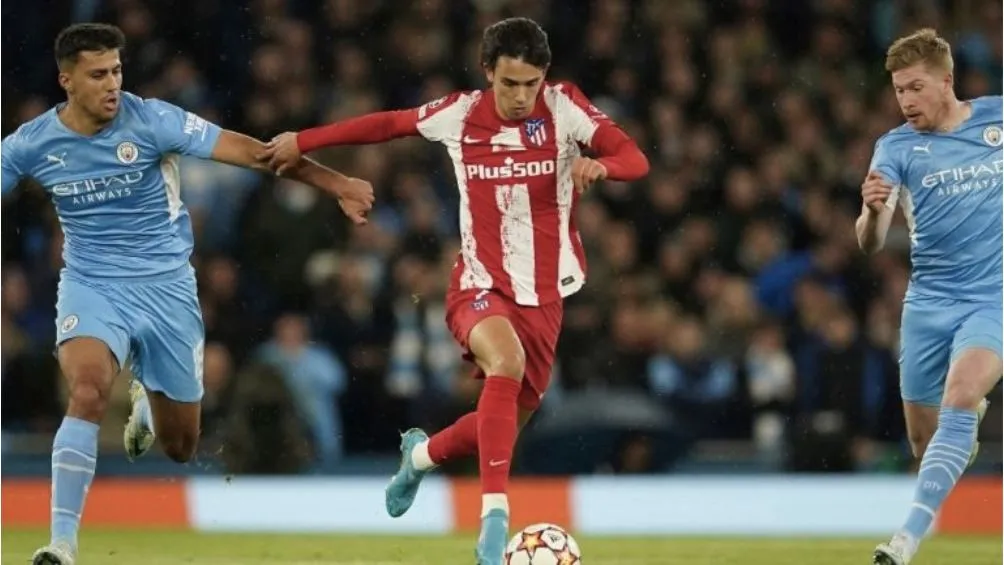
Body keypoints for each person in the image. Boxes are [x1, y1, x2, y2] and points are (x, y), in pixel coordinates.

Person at [262, 16, 649, 565]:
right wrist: (304, 139)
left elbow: (636, 159)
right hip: (478, 284)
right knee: (505, 365)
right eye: (508, 83)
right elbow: (386, 125)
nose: (520, 96)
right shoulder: (460, 114)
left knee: (503, 424)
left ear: (545, 77)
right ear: (487, 71)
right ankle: (494, 520)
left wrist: (601, 165)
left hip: (546, 294)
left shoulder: (565, 107)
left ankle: (419, 456)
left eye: (530, 84)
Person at [1, 23, 374, 565]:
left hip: (167, 289)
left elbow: (253, 154)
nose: (112, 83)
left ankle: (148, 407)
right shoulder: (33, 143)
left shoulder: (153, 119)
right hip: (91, 285)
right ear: (67, 81)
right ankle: (61, 545)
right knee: (86, 390)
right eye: (98, 74)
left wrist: (338, 184)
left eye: (117, 71)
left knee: (181, 446)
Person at [855, 28, 1001, 565]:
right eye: (898, 91)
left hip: (994, 297)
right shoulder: (895, 147)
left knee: (961, 396)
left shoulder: (997, 118)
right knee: (924, 444)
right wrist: (871, 211)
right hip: (929, 304)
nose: (905, 101)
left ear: (946, 81)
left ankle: (904, 542)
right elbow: (869, 244)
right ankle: (960, 435)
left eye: (915, 88)